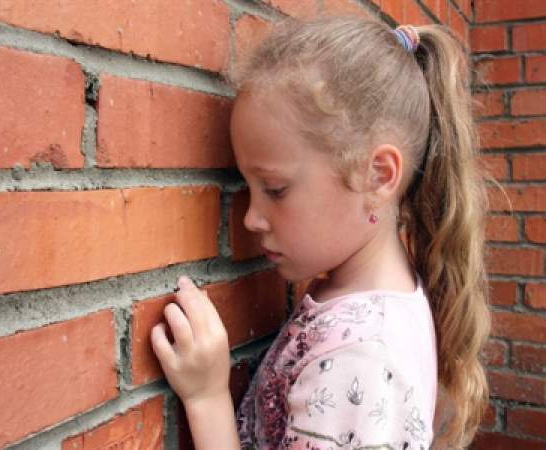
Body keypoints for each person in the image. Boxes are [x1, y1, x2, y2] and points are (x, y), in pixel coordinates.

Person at [150, 14, 492, 450]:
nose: (251, 218)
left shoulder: (360, 359)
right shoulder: (362, 298)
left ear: (378, 177)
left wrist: (207, 397)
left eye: (275, 189)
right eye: (246, 188)